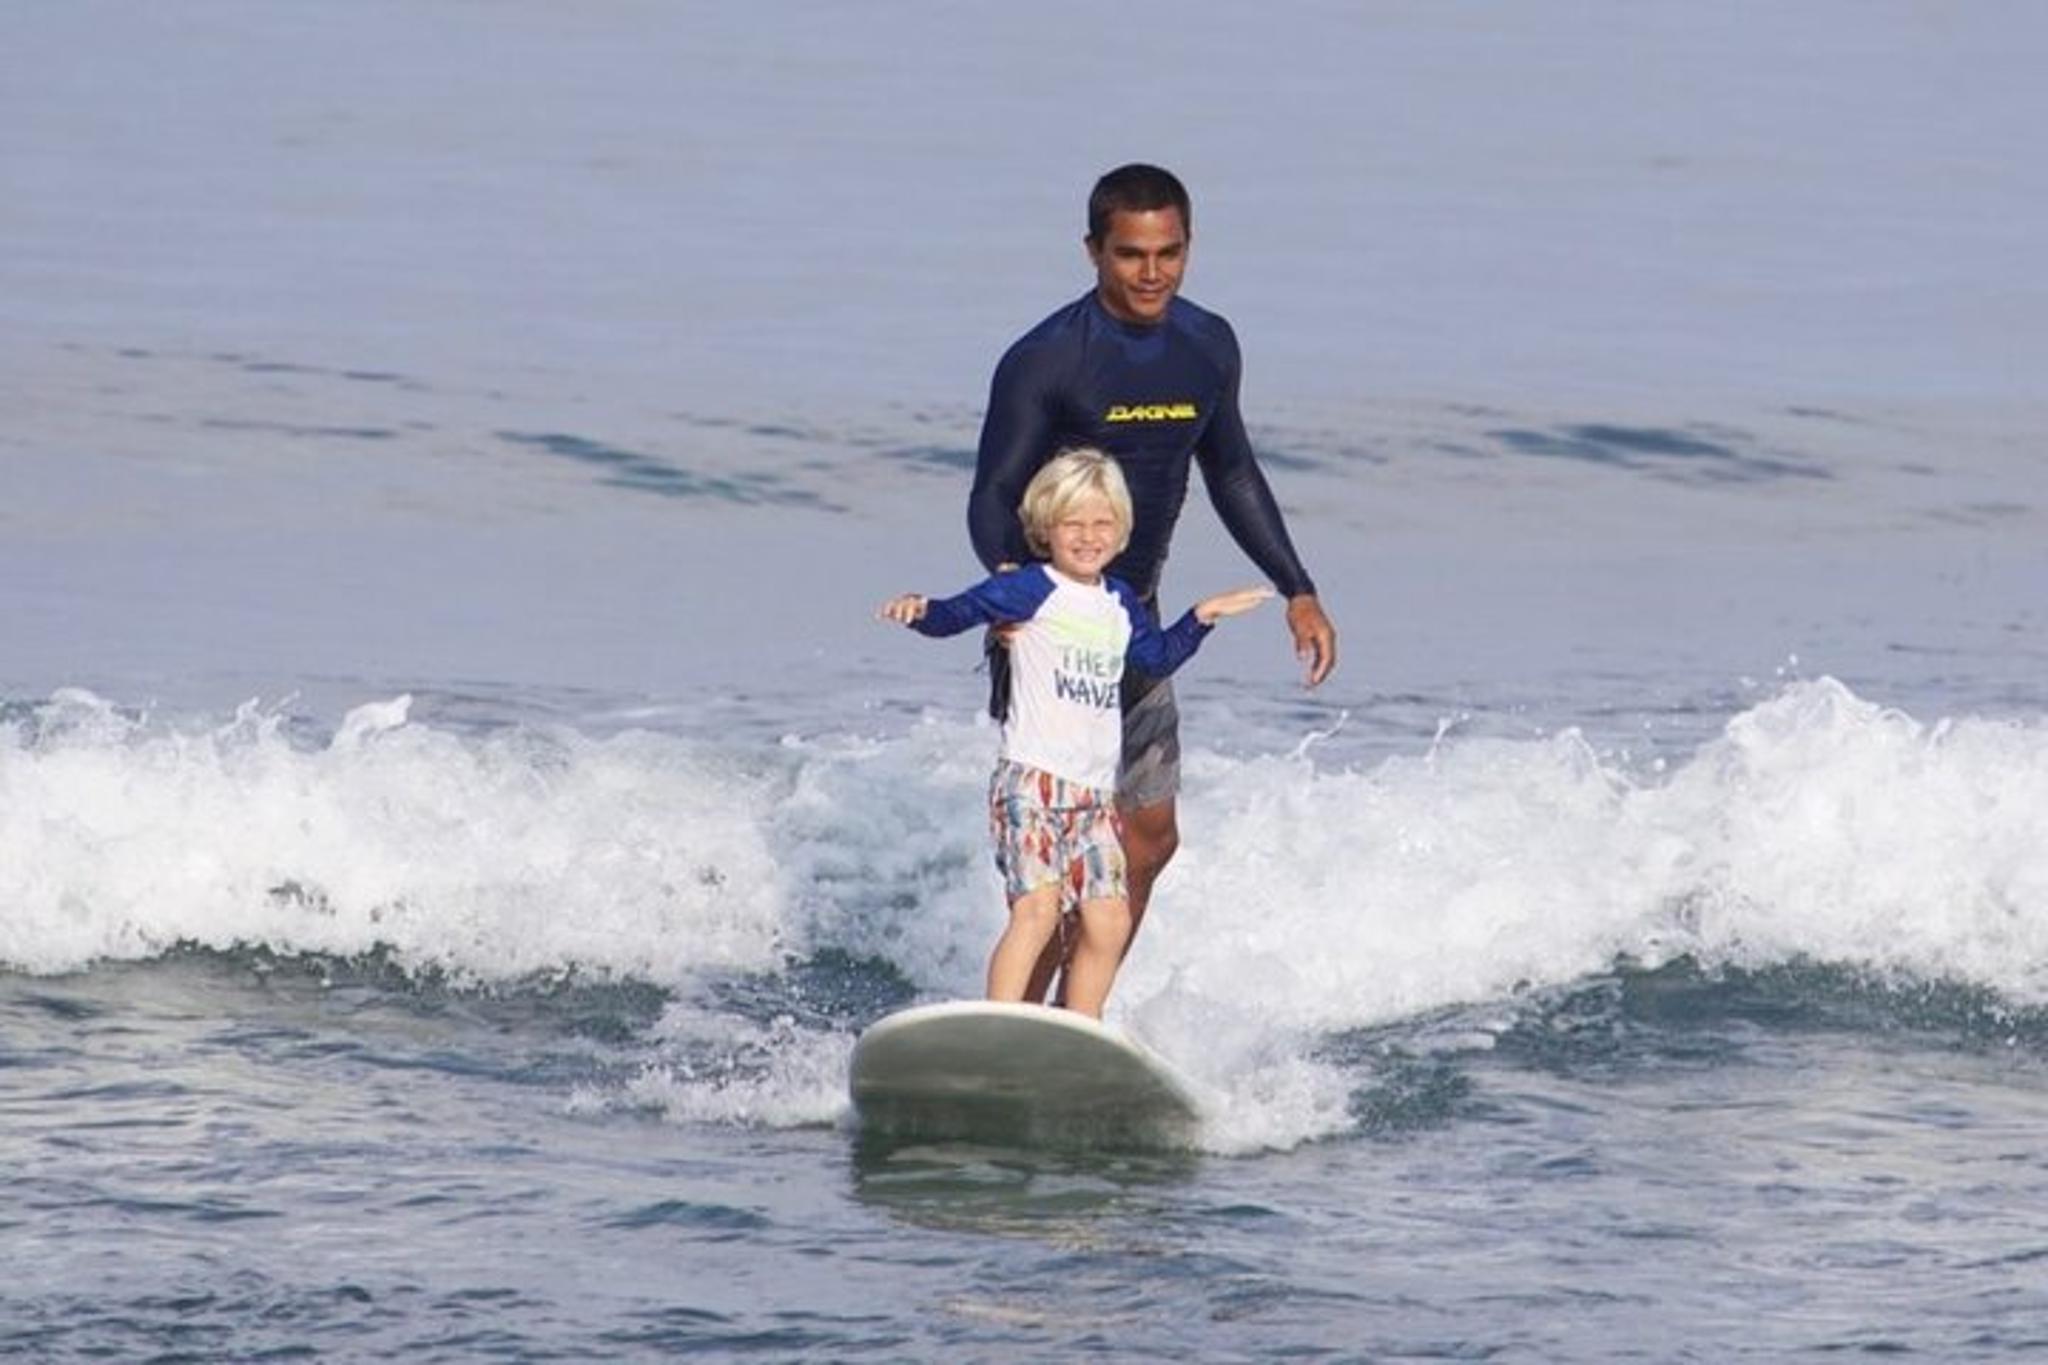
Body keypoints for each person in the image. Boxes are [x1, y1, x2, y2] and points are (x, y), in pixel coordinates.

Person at [968, 163, 1337, 1001]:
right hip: (1050, 626)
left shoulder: (1207, 346)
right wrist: (1007, 591)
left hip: (1137, 623)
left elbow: (1233, 471)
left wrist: (1297, 587)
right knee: (1057, 849)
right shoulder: (1047, 358)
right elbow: (993, 492)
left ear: (1189, 247)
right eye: (1131, 254)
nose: (1152, 273)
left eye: (1169, 253)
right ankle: (1018, 1018)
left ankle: (1070, 1011)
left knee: (1149, 838)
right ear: (1093, 250)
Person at [880, 448, 1270, 1018]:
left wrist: (1200, 617)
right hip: (1031, 785)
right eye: (1073, 524)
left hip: (1093, 798)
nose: (1088, 537)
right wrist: (921, 611)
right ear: (1046, 528)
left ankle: (1076, 1033)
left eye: (1102, 523)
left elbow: (1154, 659)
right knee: (1037, 909)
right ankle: (997, 1028)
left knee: (1109, 919)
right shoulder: (1030, 589)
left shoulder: (1120, 605)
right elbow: (958, 614)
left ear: (1121, 531)